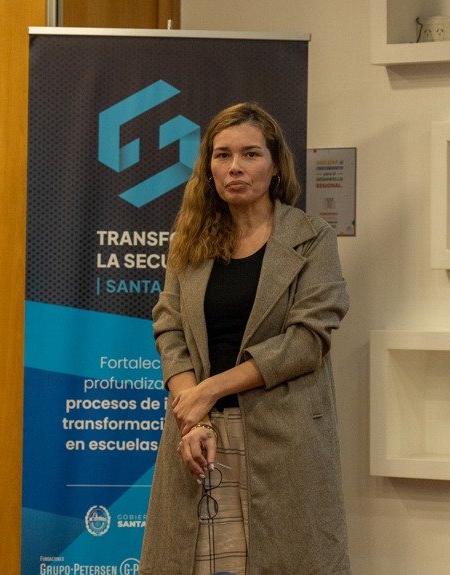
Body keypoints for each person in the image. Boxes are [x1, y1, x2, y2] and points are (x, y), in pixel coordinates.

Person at [139, 102, 351, 575]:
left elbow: (307, 341)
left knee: (291, 562)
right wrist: (193, 417)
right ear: (209, 167)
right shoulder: (189, 239)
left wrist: (209, 390)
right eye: (223, 155)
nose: (235, 166)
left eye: (250, 154)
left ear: (275, 166)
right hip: (199, 438)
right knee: (185, 562)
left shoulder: (312, 237)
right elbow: (169, 328)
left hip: (284, 441)